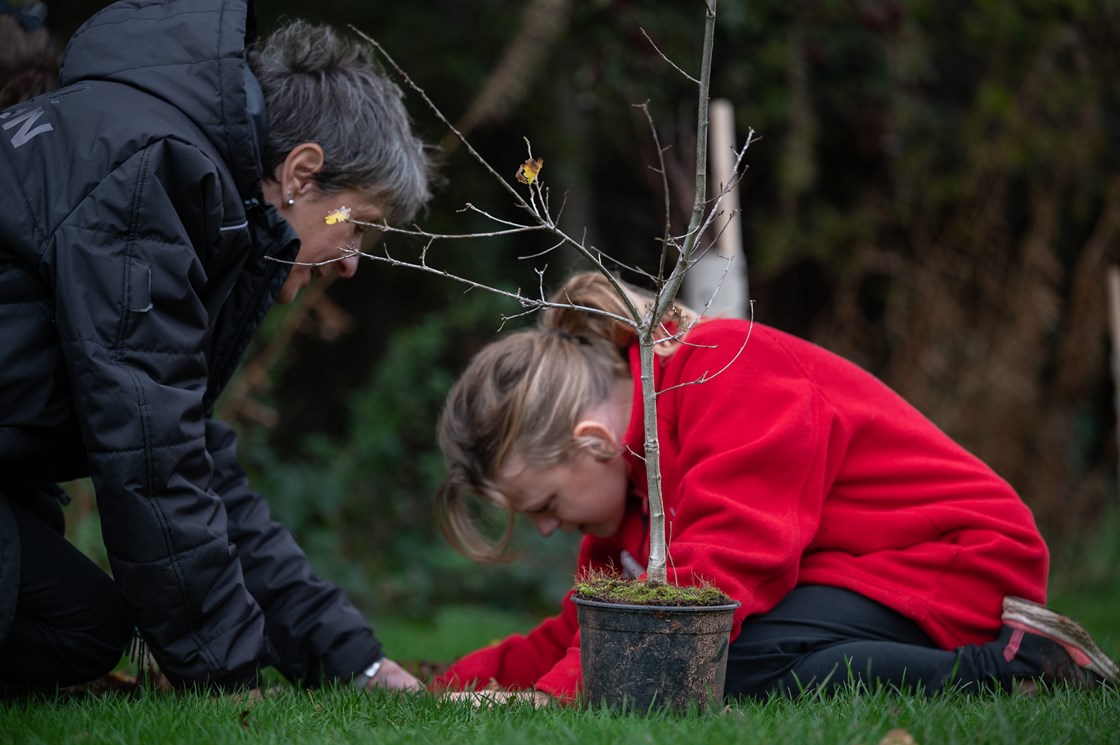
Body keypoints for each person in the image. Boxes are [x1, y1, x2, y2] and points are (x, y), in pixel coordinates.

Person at [0, 0, 432, 692]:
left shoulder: (175, 170)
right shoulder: (155, 175)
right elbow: (153, 459)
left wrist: (354, 659)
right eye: (358, 226)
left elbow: (187, 450)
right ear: (301, 172)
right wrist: (230, 682)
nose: (352, 262)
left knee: (79, 625)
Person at [431, 271, 1119, 702]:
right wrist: (450, 685)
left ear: (593, 442)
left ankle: (1020, 663)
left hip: (948, 559)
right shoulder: (632, 500)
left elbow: (729, 564)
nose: (549, 528)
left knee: (701, 655)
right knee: (673, 656)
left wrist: (557, 698)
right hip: (846, 576)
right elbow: (586, 626)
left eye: (546, 505)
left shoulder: (723, 370)